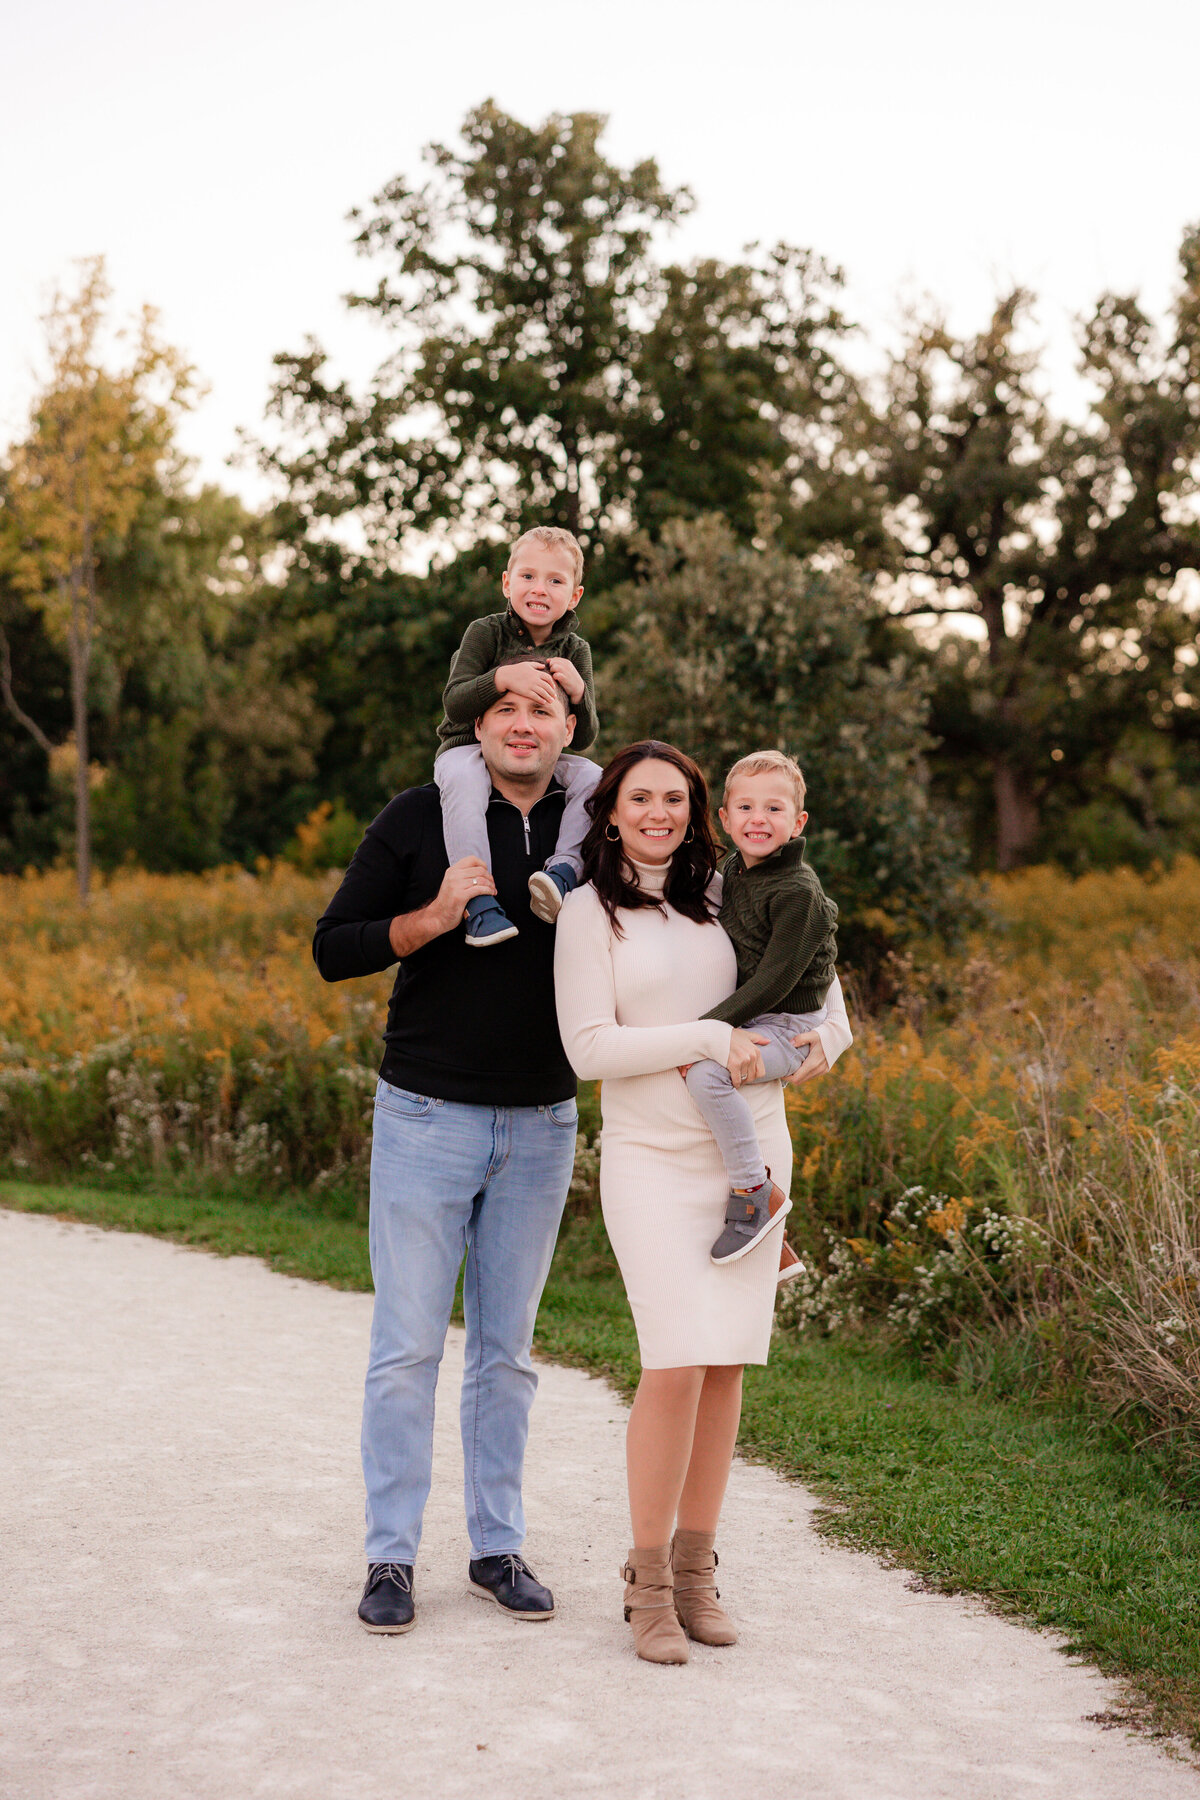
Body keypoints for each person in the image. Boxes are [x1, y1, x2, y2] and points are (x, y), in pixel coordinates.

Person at [553, 742, 852, 1666]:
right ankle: (645, 1583)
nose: (658, 812)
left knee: (725, 1365)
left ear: (698, 813)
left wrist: (793, 1056)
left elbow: (833, 1017)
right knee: (675, 1360)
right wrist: (712, 1038)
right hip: (651, 1160)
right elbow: (590, 1050)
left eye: (673, 798)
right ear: (611, 811)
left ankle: (695, 1573)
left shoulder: (736, 891)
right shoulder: (585, 912)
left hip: (753, 1158)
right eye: (639, 797)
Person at [313, 677, 583, 1635]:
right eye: (507, 709)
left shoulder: (589, 829)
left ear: (568, 730)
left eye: (542, 711)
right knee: (408, 1347)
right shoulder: (420, 814)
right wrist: (432, 915)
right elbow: (332, 946)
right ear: (481, 725)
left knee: (506, 1355)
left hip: (545, 1122)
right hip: (427, 1112)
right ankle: (391, 1559)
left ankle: (496, 1547)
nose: (523, 724)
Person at [683, 750, 838, 1276]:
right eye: (745, 807)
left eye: (774, 809)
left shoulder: (798, 892)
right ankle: (777, 1242)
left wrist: (705, 1032)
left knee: (708, 1074)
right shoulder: (734, 869)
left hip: (789, 1026)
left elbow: (776, 981)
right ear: (724, 819)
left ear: (798, 823)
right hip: (754, 1016)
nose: (758, 819)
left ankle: (755, 1196)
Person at [434, 525, 603, 946]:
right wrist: (501, 678)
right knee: (463, 784)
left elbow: (583, 737)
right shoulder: (485, 632)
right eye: (528, 576)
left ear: (574, 595)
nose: (539, 589)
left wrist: (579, 692)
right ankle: (478, 904)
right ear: (507, 583)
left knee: (594, 778)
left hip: (538, 752)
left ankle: (561, 873)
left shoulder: (576, 651)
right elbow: (455, 703)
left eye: (555, 580)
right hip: (467, 747)